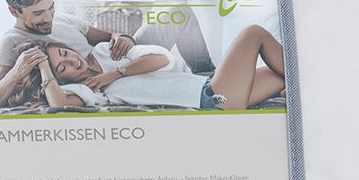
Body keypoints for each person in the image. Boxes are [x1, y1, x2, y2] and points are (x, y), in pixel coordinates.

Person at [33, 24, 286, 111]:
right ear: (62, 80)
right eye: (62, 68)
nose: (70, 61)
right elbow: (58, 103)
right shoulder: (88, 90)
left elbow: (161, 60)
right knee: (253, 33)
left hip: (207, 85)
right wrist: (43, 66)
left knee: (281, 77)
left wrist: (115, 73)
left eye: (65, 53)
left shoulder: (103, 51)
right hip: (213, 98)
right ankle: (306, 75)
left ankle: (291, 88)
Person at [0, 0, 134, 109]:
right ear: (14, 12)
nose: (48, 18)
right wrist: (15, 74)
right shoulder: (11, 42)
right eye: (38, 13)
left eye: (51, 8)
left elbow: (111, 36)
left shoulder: (64, 20)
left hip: (120, 68)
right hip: (98, 92)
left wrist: (122, 38)